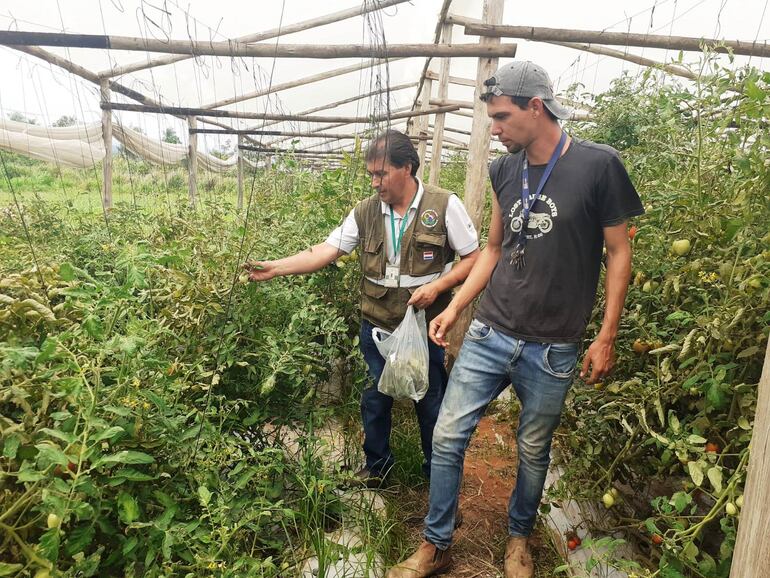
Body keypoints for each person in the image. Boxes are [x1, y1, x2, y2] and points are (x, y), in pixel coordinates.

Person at [387, 62, 644, 578]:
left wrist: (606, 334)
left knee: (532, 448)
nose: (495, 129)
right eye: (491, 119)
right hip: (490, 331)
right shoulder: (505, 170)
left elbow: (619, 253)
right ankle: (437, 543)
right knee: (447, 435)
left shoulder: (599, 166)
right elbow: (495, 249)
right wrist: (456, 307)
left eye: (502, 117)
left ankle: (518, 540)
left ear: (536, 107)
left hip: (554, 345)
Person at [244, 130, 480, 486]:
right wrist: (275, 267)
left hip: (424, 327)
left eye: (381, 173)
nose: (374, 182)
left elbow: (474, 258)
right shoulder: (366, 212)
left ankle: (438, 477)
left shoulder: (444, 205)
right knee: (375, 398)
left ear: (408, 168)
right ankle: (377, 467)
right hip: (377, 326)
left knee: (430, 403)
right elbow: (324, 251)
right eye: (370, 174)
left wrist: (438, 286)